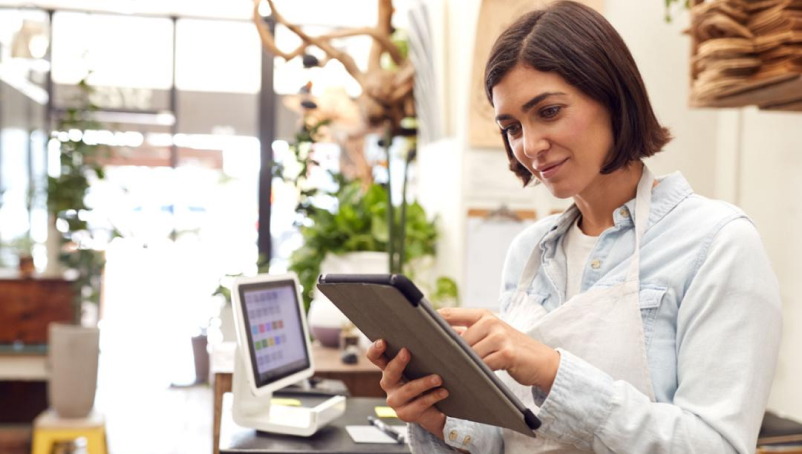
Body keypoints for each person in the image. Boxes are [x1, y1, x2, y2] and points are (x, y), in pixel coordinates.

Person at [365, 1, 782, 453]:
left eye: (548, 112)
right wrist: (441, 420)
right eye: (512, 126)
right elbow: (514, 437)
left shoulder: (717, 243)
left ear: (612, 95)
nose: (530, 145)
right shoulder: (528, 252)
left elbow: (717, 446)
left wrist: (552, 371)